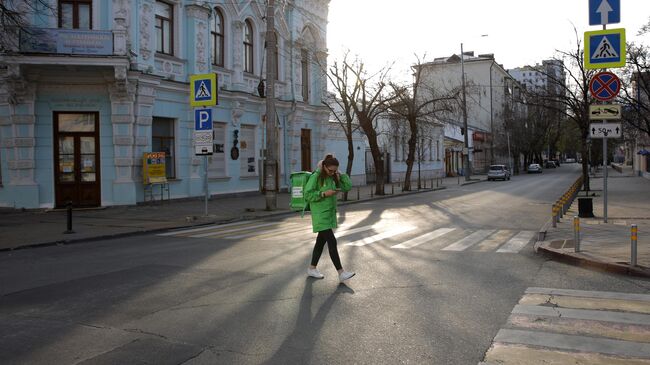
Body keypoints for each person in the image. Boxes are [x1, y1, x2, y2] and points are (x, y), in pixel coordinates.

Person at [304, 154, 355, 282]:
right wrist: (323, 193)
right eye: (330, 170)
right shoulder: (316, 176)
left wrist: (340, 174)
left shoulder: (333, 177)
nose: (332, 173)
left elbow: (347, 187)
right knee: (332, 241)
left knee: (320, 243)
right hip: (320, 215)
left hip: (329, 214)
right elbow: (307, 194)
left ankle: (312, 268)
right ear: (324, 167)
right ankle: (341, 272)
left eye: (335, 170)